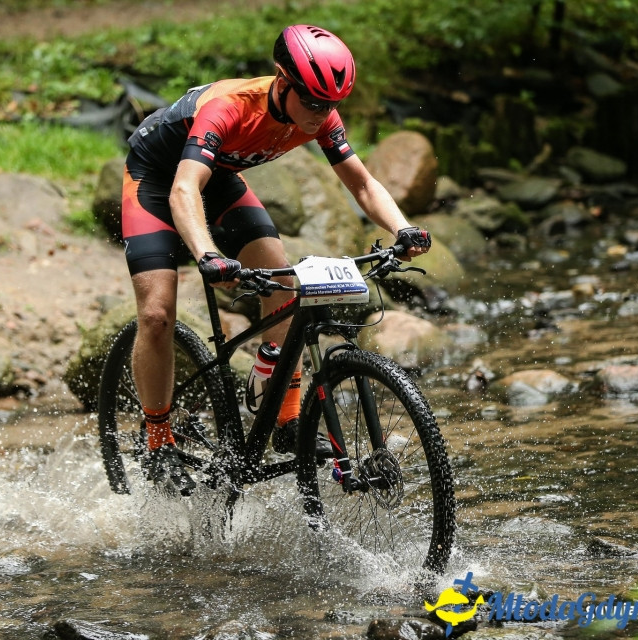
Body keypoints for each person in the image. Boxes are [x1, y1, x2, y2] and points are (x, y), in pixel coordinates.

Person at [119, 24, 432, 494]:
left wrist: (403, 229)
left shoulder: (320, 115)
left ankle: (281, 415)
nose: (320, 115)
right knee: (158, 314)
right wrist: (207, 254)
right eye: (312, 102)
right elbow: (184, 189)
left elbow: (363, 184)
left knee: (288, 287)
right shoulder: (229, 109)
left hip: (218, 177)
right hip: (159, 179)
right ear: (283, 82)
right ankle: (158, 439)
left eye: (330, 104)